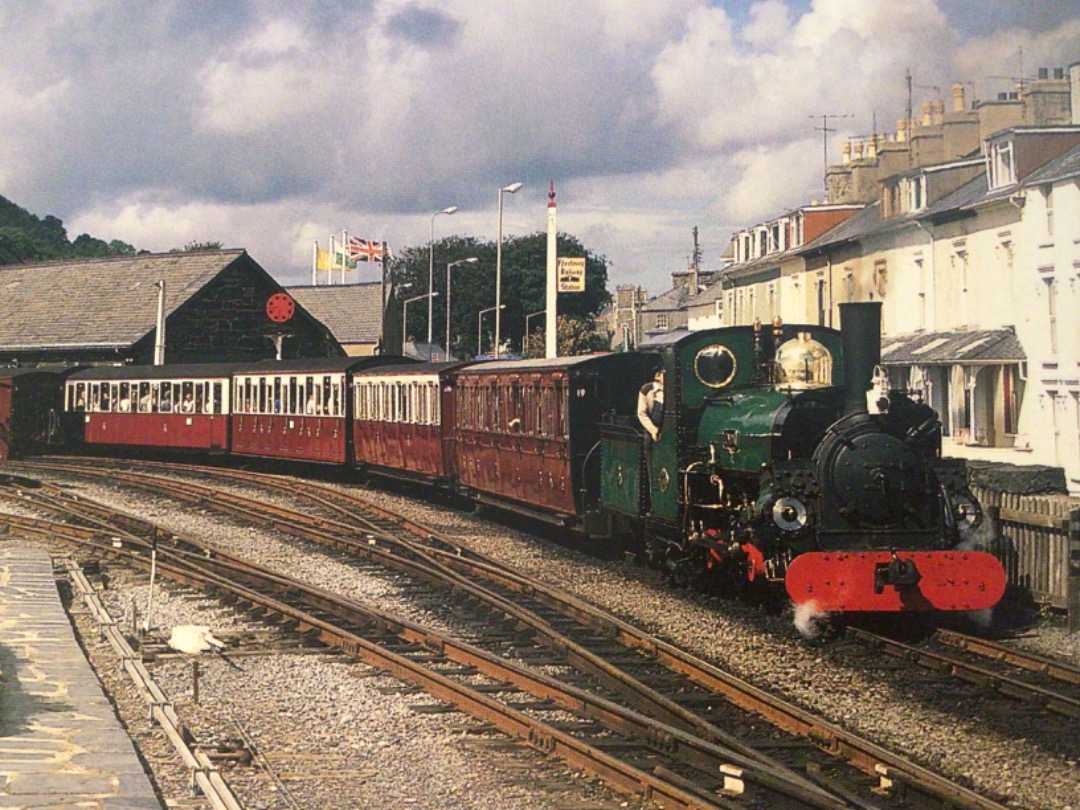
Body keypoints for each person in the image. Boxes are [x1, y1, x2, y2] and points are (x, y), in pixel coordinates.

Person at [637, 368, 664, 442]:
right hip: (651, 429)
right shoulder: (646, 389)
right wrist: (653, 430)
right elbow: (642, 413)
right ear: (657, 376)